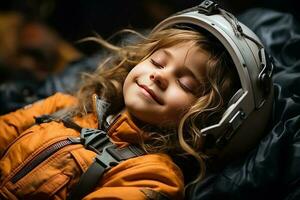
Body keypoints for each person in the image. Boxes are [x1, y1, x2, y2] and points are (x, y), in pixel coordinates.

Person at [0, 1, 273, 199]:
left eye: (186, 83)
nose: (159, 76)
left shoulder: (154, 177)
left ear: (212, 121)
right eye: (157, 61)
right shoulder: (66, 106)